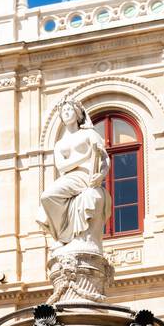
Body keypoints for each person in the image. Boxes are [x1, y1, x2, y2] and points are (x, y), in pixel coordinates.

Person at [37, 98, 111, 252]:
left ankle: (65, 237)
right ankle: (63, 236)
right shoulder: (59, 144)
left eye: (69, 110)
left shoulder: (89, 134)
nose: (66, 113)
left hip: (85, 176)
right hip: (69, 177)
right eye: (63, 111)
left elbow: (104, 158)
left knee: (51, 196)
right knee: (46, 196)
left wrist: (101, 175)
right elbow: (61, 166)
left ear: (78, 114)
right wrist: (85, 156)